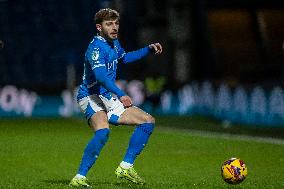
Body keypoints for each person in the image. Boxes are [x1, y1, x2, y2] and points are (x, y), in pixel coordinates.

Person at [70, 8, 162, 187]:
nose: (114, 27)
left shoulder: (114, 43)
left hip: (106, 96)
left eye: (116, 23)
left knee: (148, 121)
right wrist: (121, 94)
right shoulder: (95, 48)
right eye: (109, 24)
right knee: (103, 131)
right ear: (99, 27)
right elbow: (101, 77)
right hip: (90, 96)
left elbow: (125, 58)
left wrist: (148, 49)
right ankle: (79, 178)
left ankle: (125, 167)